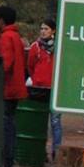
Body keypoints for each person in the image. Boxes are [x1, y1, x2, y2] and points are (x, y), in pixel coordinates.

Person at [0, 4, 27, 167]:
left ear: (1, 20)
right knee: (11, 123)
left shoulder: (6, 37)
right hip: (16, 87)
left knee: (4, 125)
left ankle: (4, 162)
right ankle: (9, 161)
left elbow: (5, 64)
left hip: (7, 88)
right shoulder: (16, 36)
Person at [28, 18, 65, 158]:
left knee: (55, 122)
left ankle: (57, 151)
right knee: (40, 122)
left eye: (46, 29)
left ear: (53, 30)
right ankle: (39, 151)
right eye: (42, 28)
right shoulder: (35, 47)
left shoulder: (59, 47)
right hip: (39, 89)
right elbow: (30, 66)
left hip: (55, 90)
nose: (43, 31)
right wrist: (37, 78)